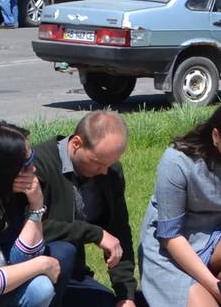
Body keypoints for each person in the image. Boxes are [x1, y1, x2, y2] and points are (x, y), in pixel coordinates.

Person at [0, 122, 90, 307]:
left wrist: (36, 204)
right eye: (27, 164)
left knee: (63, 253)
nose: (33, 169)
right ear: (2, 172)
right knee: (41, 285)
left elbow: (19, 257)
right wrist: (41, 265)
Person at [139, 100, 221, 307]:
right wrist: (214, 286)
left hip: (214, 235)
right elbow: (170, 236)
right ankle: (206, 287)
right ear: (216, 135)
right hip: (173, 248)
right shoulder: (177, 161)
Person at [32, 112, 137, 307]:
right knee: (65, 250)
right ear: (76, 144)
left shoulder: (110, 173)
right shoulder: (39, 165)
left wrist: (126, 295)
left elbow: (119, 232)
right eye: (98, 162)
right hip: (33, 273)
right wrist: (94, 233)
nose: (104, 171)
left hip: (73, 274)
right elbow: (32, 229)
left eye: (110, 163)